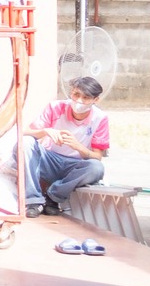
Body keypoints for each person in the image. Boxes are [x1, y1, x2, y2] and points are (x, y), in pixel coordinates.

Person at [24, 76, 110, 216]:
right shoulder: (56, 107)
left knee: (96, 168)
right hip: (50, 159)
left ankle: (52, 197)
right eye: (76, 95)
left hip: (75, 166)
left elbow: (97, 157)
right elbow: (26, 132)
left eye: (86, 98)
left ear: (96, 100)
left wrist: (78, 147)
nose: (79, 101)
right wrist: (45, 132)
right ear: (71, 93)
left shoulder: (100, 118)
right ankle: (33, 200)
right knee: (26, 143)